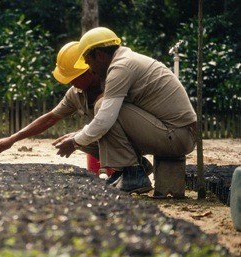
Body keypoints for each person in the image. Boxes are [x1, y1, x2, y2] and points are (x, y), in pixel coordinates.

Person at [55, 27, 197, 194]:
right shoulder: (123, 61)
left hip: (178, 136)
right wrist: (77, 138)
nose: (90, 69)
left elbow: (105, 120)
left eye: (88, 62)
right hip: (171, 133)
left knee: (102, 109)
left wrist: (74, 141)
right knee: (92, 130)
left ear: (99, 56)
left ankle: (133, 173)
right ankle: (129, 170)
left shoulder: (121, 67)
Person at [0, 41, 102, 161]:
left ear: (89, 72)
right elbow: (50, 118)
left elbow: (109, 124)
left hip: (122, 139)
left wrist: (77, 137)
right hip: (104, 139)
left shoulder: (114, 85)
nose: (71, 83)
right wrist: (12, 139)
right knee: (78, 139)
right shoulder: (75, 92)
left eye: (73, 78)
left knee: (81, 138)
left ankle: (122, 169)